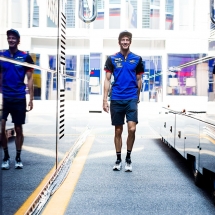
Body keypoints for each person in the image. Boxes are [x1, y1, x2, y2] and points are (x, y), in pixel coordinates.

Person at [103, 30, 144, 172]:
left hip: (131, 97)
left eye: (127, 39)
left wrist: (138, 96)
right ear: (119, 42)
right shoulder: (111, 58)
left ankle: (128, 157)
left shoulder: (137, 59)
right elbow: (107, 79)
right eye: (123, 40)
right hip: (116, 98)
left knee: (132, 129)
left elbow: (139, 79)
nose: (125, 42)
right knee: (118, 131)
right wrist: (104, 100)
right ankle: (118, 159)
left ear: (130, 42)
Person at [0, 29, 34, 169]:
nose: (11, 40)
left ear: (18, 41)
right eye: (9, 37)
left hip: (19, 97)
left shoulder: (25, 57)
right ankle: (6, 157)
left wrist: (31, 98)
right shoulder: (2, 55)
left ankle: (18, 157)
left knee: (18, 128)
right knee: (1, 127)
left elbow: (30, 78)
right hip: (6, 98)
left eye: (14, 38)